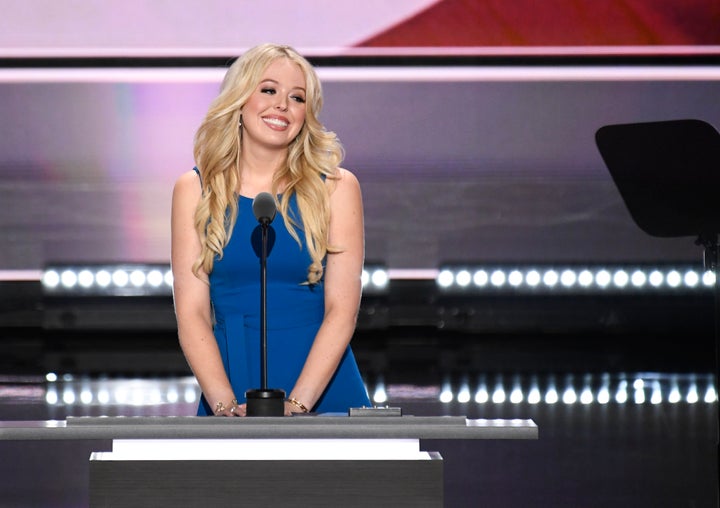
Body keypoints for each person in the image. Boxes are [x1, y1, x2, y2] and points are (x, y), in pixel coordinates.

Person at [171, 43, 371, 416]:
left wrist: (298, 404)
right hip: (231, 388)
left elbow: (342, 311)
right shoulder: (194, 189)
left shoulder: (338, 188)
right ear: (240, 100)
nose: (282, 104)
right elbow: (192, 313)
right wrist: (224, 405)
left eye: (297, 97)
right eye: (268, 90)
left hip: (325, 390)